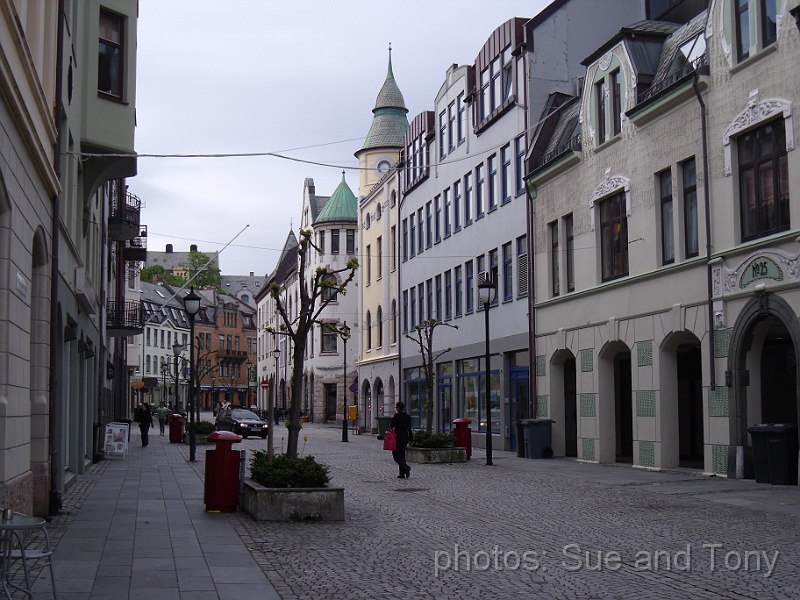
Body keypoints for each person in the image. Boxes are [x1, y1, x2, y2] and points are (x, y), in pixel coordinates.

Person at [389, 401, 413, 478]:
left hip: (398, 437)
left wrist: (392, 419)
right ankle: (402, 473)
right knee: (402, 454)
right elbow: (409, 428)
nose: (396, 409)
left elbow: (392, 426)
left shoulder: (397, 416)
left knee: (395, 454)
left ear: (399, 408)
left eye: (396, 407)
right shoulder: (407, 417)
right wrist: (411, 438)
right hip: (405, 437)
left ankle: (405, 467)